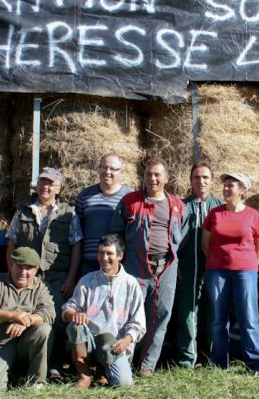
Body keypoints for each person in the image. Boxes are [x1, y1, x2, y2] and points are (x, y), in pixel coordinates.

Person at [5, 166, 83, 380]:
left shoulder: (69, 212)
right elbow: (11, 243)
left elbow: (76, 245)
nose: (45, 187)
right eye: (42, 182)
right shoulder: (23, 210)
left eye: (50, 184)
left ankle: (54, 366)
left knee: (55, 321)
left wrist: (70, 277)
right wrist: (12, 272)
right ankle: (21, 365)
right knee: (24, 317)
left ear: (58, 188)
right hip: (28, 276)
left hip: (56, 277)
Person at [109, 157, 185, 376]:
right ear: (143, 177)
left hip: (166, 268)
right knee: (128, 316)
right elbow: (115, 233)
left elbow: (182, 239)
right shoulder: (130, 201)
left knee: (161, 316)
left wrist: (174, 263)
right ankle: (120, 362)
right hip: (136, 266)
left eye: (157, 175)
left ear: (166, 179)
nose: (152, 178)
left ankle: (147, 366)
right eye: (148, 174)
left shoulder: (178, 206)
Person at [62, 234, 146, 388]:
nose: (104, 258)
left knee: (124, 384)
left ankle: (103, 371)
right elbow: (67, 309)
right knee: (75, 326)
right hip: (89, 342)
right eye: (100, 253)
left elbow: (139, 324)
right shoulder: (87, 281)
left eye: (109, 253)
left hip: (114, 345)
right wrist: (75, 314)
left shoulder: (131, 284)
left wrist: (126, 340)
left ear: (120, 255)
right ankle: (84, 376)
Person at [202, 173, 259, 372]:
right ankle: (220, 364)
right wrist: (217, 262)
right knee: (218, 319)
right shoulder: (215, 213)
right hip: (217, 271)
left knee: (248, 318)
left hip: (245, 272)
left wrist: (248, 266)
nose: (226, 189)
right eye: (225, 186)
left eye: (231, 185)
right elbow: (206, 244)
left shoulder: (253, 215)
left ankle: (255, 364)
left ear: (242, 190)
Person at [0, 247, 55, 392]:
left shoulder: (41, 287)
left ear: (36, 269)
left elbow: (49, 313)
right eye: (19, 266)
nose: (23, 272)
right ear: (12, 264)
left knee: (44, 329)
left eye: (29, 268)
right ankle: (4, 372)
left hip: (24, 343)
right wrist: (13, 315)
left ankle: (36, 381)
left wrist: (25, 321)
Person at [175, 160, 222, 367]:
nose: (201, 181)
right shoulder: (181, 206)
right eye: (197, 177)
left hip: (215, 269)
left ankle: (214, 355)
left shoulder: (220, 207)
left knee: (214, 310)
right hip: (188, 267)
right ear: (190, 180)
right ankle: (187, 359)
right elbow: (173, 239)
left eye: (205, 177)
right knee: (187, 312)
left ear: (211, 181)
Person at [75, 154, 133, 277]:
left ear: (121, 171)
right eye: (104, 167)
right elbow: (77, 235)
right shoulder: (85, 196)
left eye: (113, 169)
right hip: (89, 264)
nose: (107, 172)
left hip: (117, 264)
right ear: (98, 168)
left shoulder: (130, 197)